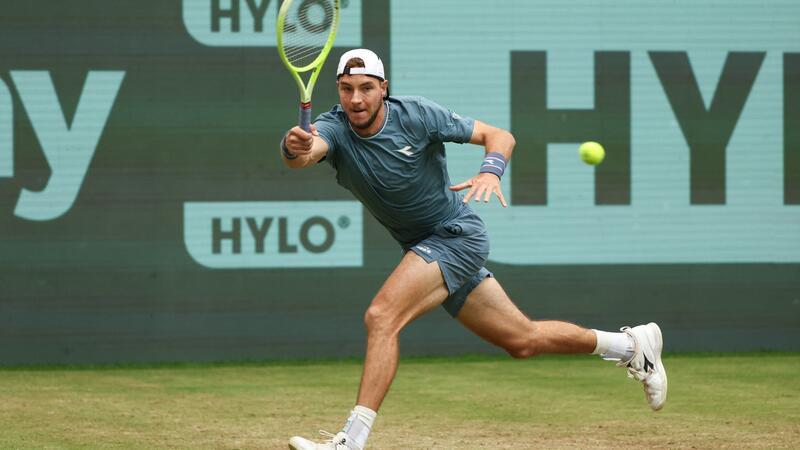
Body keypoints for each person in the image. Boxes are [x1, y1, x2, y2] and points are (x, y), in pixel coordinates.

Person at [280, 49, 667, 450]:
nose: (356, 99)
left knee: (382, 317)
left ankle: (352, 441)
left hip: (455, 235)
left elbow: (500, 137)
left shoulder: (416, 115)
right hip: (423, 246)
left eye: (366, 88)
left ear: (384, 89)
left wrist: (490, 171)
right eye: (347, 89)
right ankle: (632, 346)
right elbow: (307, 154)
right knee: (522, 340)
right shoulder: (334, 126)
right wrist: (294, 147)